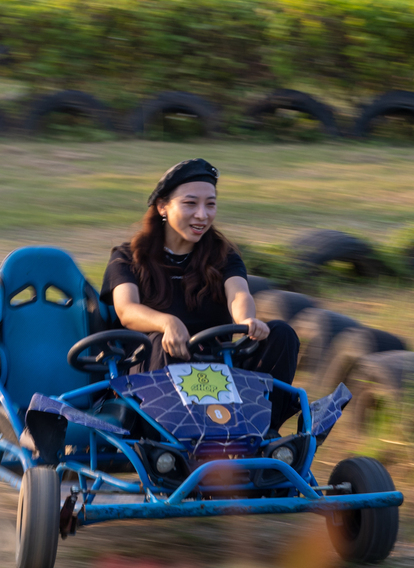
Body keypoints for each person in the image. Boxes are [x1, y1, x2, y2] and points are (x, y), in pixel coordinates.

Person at [101, 158, 301, 431]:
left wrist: (247, 321)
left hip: (216, 366)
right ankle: (169, 445)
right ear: (163, 206)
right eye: (190, 203)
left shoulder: (222, 254)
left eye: (211, 204)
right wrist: (167, 322)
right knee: (164, 341)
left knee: (281, 333)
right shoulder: (128, 256)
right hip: (150, 368)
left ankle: (261, 432)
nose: (202, 215)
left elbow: (238, 294)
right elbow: (126, 310)